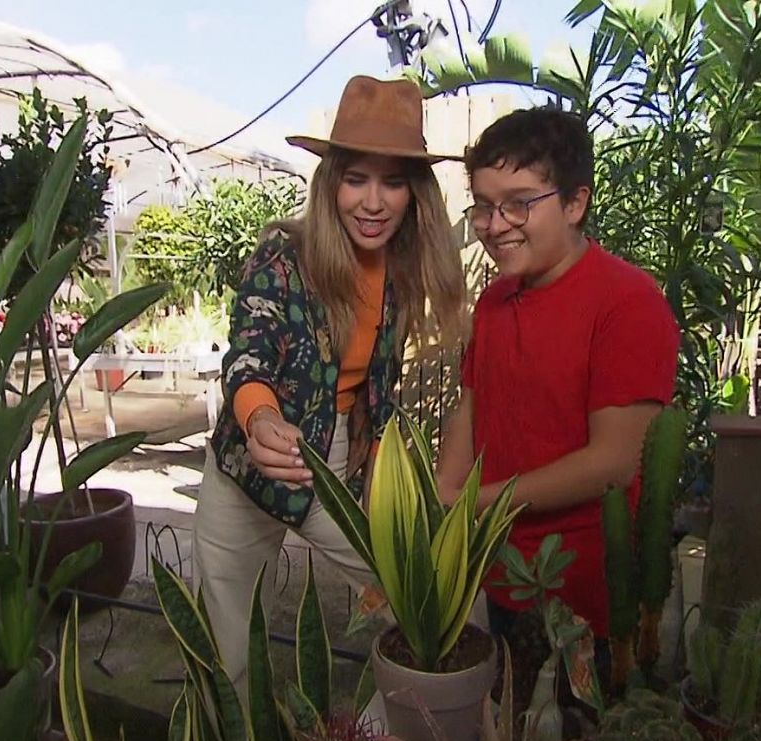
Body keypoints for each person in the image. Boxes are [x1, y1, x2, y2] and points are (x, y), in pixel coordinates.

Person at [194, 75, 466, 685]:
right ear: (330, 183)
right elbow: (249, 355)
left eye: (392, 181)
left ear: (414, 193)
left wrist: (374, 466)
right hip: (244, 466)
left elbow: (377, 390)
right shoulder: (283, 259)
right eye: (356, 178)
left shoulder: (402, 271)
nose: (373, 202)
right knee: (229, 658)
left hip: (334, 462)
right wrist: (261, 417)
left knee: (413, 596)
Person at [434, 105, 679, 649]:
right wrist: (441, 498)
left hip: (587, 597)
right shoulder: (495, 301)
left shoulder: (628, 304)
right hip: (498, 573)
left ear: (575, 202)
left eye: (518, 205)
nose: (495, 226)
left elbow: (614, 462)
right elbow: (472, 407)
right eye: (484, 207)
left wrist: (473, 503)